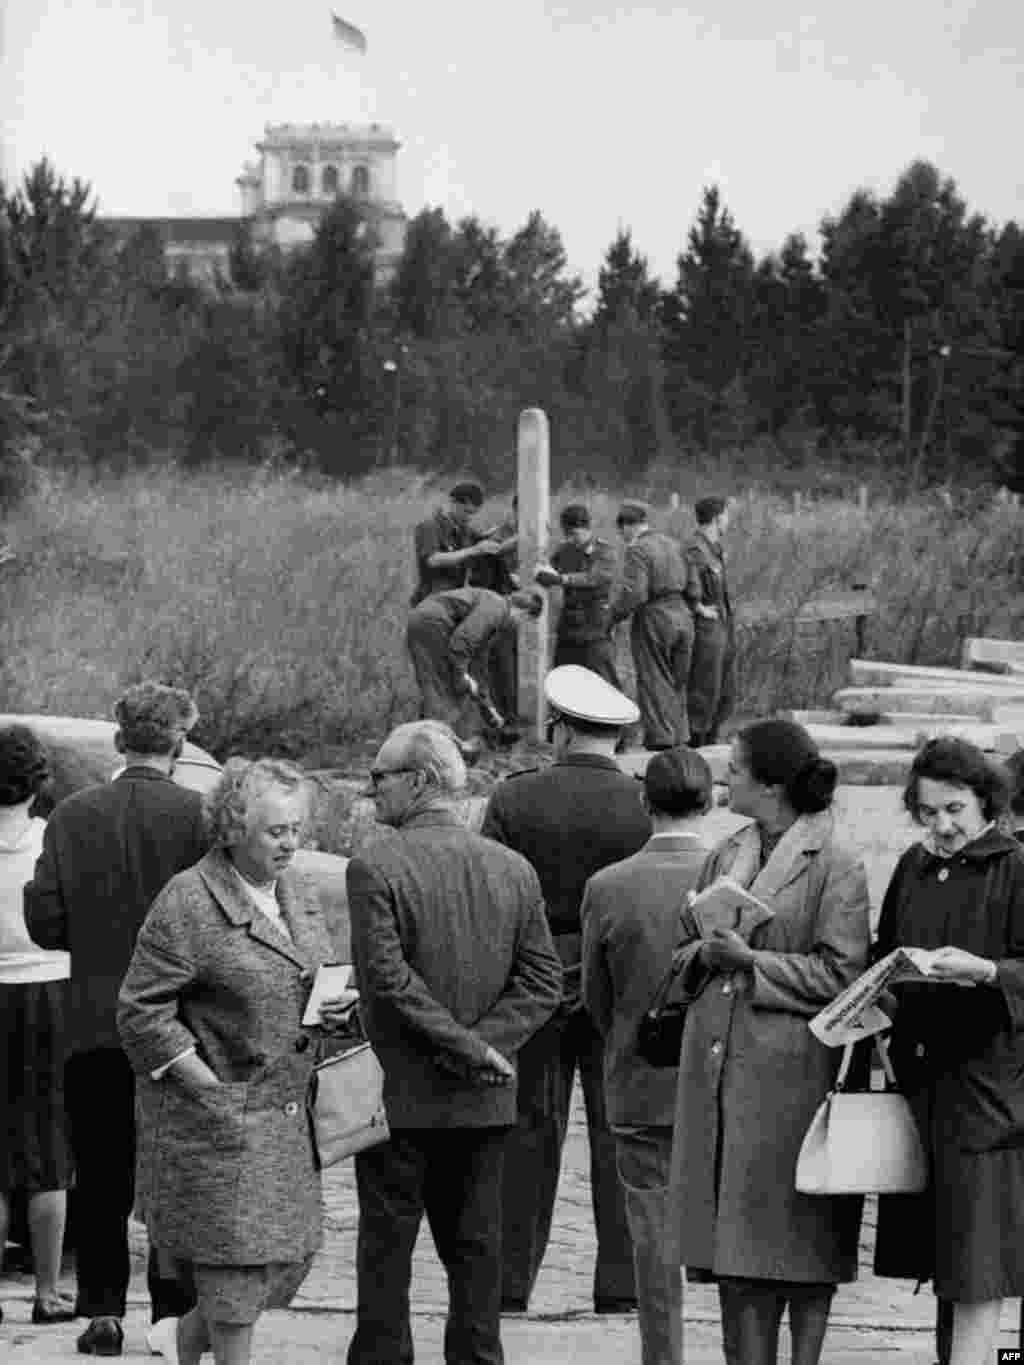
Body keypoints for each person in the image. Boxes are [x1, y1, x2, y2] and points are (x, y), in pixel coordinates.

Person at [344, 720, 562, 1365]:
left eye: (381, 776)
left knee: (386, 1249)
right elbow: (542, 981)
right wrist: (483, 1047)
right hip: (482, 1096)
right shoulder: (512, 868)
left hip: (400, 1096)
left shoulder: (376, 865)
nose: (371, 789)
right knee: (476, 1250)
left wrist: (465, 1046)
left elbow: (388, 982)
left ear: (419, 781)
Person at [118, 758, 348, 1365]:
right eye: (276, 832)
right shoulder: (189, 899)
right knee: (234, 1282)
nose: (291, 843)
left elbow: (307, 972)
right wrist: (204, 1083)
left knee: (284, 1262)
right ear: (233, 828)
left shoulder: (296, 890)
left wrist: (330, 1009)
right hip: (220, 1125)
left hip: (287, 1119)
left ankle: (183, 1343)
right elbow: (140, 1011)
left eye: (297, 829)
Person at [668, 718, 871, 1365]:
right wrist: (704, 952)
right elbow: (683, 950)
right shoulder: (726, 851)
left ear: (772, 784)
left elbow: (843, 976)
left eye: (735, 767)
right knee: (732, 1254)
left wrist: (752, 961)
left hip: (791, 1085)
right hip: (719, 1074)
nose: (723, 777)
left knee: (799, 1248)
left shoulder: (836, 863)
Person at [24, 681, 207, 1357]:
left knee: (100, 1173)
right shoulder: (200, 817)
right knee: (174, 1174)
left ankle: (102, 1308)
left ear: (119, 737)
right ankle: (171, 1313)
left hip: (95, 1019)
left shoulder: (71, 816)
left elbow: (45, 923)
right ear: (180, 741)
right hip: (181, 1025)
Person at [481, 665, 652, 1314]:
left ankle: (508, 1282)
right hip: (621, 981)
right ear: (617, 735)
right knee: (618, 1131)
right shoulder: (643, 802)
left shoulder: (515, 799)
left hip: (532, 979)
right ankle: (623, 1285)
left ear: (559, 727)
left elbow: (493, 894)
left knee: (527, 1133)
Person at [872, 738, 1024, 1365]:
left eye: (954, 809)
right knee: (944, 1254)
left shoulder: (1015, 866)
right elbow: (885, 951)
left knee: (978, 1262)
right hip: (920, 1080)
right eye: (928, 812)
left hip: (987, 1091)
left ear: (985, 801)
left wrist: (986, 972)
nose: (941, 825)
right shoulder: (912, 865)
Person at [581, 746, 714, 1365]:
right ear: (709, 801)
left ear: (644, 802)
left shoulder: (608, 886)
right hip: (720, 1086)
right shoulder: (736, 878)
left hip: (640, 1084)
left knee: (654, 1248)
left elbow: (596, 997)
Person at [0, 726, 74, 1327]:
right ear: (39, 782)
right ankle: (47, 1293)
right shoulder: (54, 839)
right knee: (49, 1147)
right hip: (49, 991)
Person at [609, 502, 694, 751]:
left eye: (622, 532)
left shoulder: (638, 550)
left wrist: (612, 617)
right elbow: (694, 585)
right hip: (683, 614)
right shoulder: (675, 544)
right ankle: (680, 736)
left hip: (655, 616)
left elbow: (635, 594)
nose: (623, 537)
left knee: (654, 678)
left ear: (627, 527)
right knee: (677, 680)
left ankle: (661, 740)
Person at [406, 585, 543, 740]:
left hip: (425, 621)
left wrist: (488, 707)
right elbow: (462, 641)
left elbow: (478, 664)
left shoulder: (496, 615)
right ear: (523, 613)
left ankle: (424, 741)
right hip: (433, 624)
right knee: (445, 692)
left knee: (437, 689)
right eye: (524, 622)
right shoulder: (496, 608)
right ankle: (435, 744)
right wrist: (461, 675)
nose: (518, 627)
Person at [535, 503, 620, 686]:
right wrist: (542, 572)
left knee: (601, 681)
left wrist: (562, 579)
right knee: (564, 680)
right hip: (569, 627)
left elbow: (594, 578)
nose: (571, 539)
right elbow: (548, 569)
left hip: (594, 627)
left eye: (574, 534)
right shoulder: (564, 550)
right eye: (567, 534)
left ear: (587, 528)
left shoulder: (604, 552)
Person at [684, 495, 736, 748]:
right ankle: (698, 742)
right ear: (717, 518)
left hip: (723, 625)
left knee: (724, 690)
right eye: (726, 515)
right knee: (704, 689)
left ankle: (712, 739)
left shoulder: (714, 548)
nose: (728, 521)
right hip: (706, 629)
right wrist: (698, 607)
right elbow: (686, 585)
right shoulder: (695, 549)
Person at [411, 480, 514, 605]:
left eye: (473, 514)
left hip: (454, 598)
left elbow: (491, 545)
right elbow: (433, 560)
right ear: (453, 503)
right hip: (431, 599)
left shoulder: (464, 530)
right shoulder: (429, 526)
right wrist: (474, 550)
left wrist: (516, 535)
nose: (469, 518)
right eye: (466, 511)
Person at [469, 497, 520, 721]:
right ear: (516, 511)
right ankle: (506, 720)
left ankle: (519, 717)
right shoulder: (496, 536)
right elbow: (486, 573)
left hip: (530, 612)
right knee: (502, 666)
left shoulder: (541, 535)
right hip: (502, 609)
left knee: (523, 667)